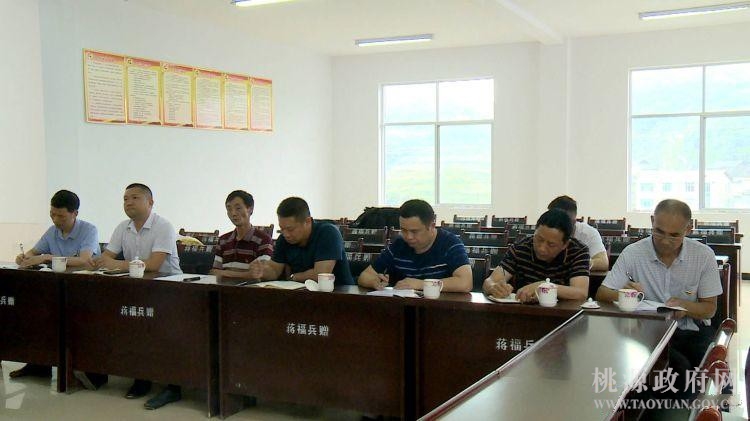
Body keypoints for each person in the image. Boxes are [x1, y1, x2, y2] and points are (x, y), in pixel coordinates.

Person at [596, 199, 722, 398]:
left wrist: (684, 306)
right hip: (645, 332)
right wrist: (626, 294)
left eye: (674, 235)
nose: (665, 241)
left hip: (690, 331)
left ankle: (694, 410)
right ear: (652, 221)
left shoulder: (703, 256)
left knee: (699, 373)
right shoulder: (634, 252)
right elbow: (602, 294)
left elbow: (709, 309)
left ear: (688, 229)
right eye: (659, 232)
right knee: (659, 372)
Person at [94, 183, 182, 409]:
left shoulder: (163, 226)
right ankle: (141, 378)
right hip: (137, 290)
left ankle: (173, 387)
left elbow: (154, 265)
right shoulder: (123, 227)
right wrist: (104, 262)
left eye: (134, 197)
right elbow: (106, 258)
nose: (128, 202)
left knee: (165, 336)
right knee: (133, 331)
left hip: (169, 290)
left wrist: (117, 264)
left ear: (150, 202)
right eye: (125, 199)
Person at [9, 189, 100, 380]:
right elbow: (33, 253)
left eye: (61, 216)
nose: (56, 220)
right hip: (56, 289)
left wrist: (48, 257)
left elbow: (85, 261)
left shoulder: (89, 230)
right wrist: (24, 257)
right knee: (34, 312)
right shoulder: (52, 231)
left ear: (75, 213)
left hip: (84, 291)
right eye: (52, 214)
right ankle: (38, 363)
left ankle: (80, 369)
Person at [357, 199, 472, 292]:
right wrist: (374, 282)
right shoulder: (399, 244)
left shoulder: (450, 243)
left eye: (414, 231)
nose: (408, 236)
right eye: (403, 230)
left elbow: (465, 283)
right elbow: (365, 275)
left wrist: (421, 284)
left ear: (431, 226)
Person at [483, 208, 589, 303]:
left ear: (565, 244)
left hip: (563, 313)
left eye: (551, 244)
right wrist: (494, 287)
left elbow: (581, 293)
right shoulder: (520, 248)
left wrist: (544, 287)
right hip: (523, 310)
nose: (542, 248)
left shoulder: (578, 251)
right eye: (539, 239)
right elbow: (490, 281)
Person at [251, 197, 353, 285]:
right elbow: (274, 270)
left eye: (290, 229)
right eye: (282, 229)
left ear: (307, 222)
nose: (286, 234)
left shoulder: (328, 233)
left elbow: (321, 275)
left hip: (338, 294)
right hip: (300, 294)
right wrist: (261, 271)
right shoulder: (283, 239)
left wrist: (293, 277)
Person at [210, 190, 273, 279]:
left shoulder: (263, 240)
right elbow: (214, 272)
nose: (233, 213)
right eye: (229, 209)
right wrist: (246, 274)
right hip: (223, 287)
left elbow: (260, 275)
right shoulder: (223, 240)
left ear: (250, 209)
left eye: (238, 208)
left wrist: (224, 273)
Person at [547, 195, 609, 271]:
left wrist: (579, 263)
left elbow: (603, 263)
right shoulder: (544, 231)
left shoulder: (588, 233)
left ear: (574, 221)